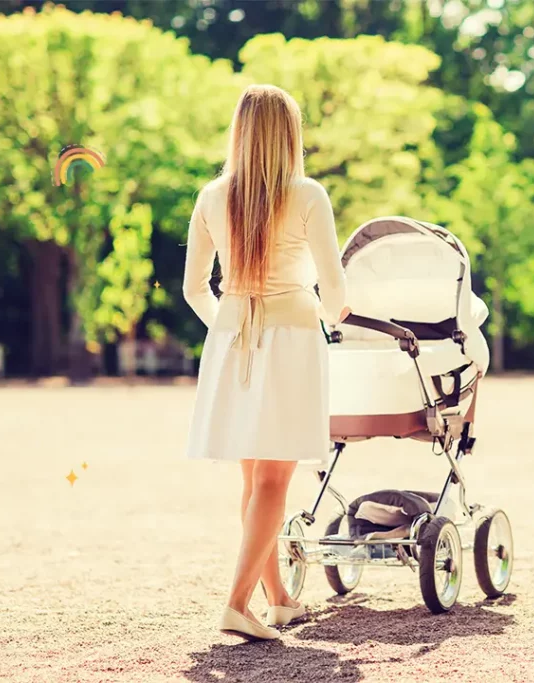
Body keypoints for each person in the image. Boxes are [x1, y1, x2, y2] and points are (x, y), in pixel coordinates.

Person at [182, 84, 349, 641]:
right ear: (291, 135)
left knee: (254, 480)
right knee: (275, 479)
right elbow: (335, 291)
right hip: (292, 339)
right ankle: (236, 603)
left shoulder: (210, 196)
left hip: (233, 340)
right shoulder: (307, 195)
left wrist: (232, 330)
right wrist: (337, 316)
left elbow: (193, 289)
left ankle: (277, 598)